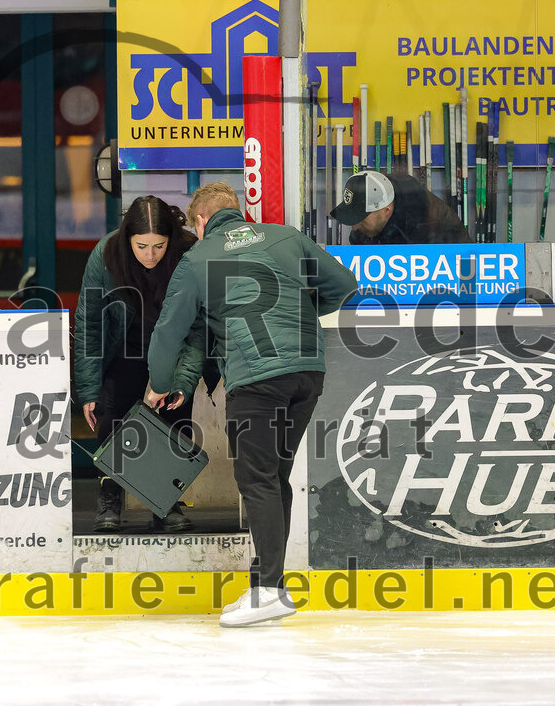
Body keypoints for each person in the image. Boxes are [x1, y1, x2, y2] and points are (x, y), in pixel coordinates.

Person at [147, 182, 357, 627]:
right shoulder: (286, 236)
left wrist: (160, 382)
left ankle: (267, 593)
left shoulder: (197, 259)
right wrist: (302, 312)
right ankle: (270, 584)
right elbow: (345, 285)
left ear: (201, 222)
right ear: (237, 213)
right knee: (274, 476)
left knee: (257, 478)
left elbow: (169, 331)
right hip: (307, 372)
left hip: (257, 379)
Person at [75, 195, 206, 533]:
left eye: (159, 246)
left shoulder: (189, 253)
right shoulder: (105, 255)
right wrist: (88, 388)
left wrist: (183, 380)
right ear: (127, 237)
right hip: (125, 349)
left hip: (174, 351)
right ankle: (110, 497)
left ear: (171, 240)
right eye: (142, 245)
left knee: (174, 420)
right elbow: (89, 321)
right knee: (114, 416)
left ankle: (166, 503)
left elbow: (198, 326)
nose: (150, 255)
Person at [330, 170, 470, 244]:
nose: (354, 227)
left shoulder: (421, 219)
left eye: (361, 218)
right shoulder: (371, 206)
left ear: (386, 211)